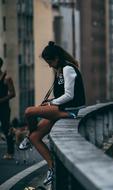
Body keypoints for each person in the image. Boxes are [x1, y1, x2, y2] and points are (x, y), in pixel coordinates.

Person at [18, 41, 85, 185]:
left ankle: (28, 137)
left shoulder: (68, 69)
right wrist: (52, 101)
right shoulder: (60, 69)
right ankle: (52, 167)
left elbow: (69, 95)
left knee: (29, 112)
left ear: (56, 58)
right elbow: (63, 95)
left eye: (49, 62)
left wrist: (50, 103)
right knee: (36, 137)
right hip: (62, 109)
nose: (49, 65)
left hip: (69, 111)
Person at [0, 57, 16, 160]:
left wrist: (1, 100)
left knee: (6, 129)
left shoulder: (6, 78)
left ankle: (10, 152)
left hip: (4, 108)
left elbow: (12, 93)